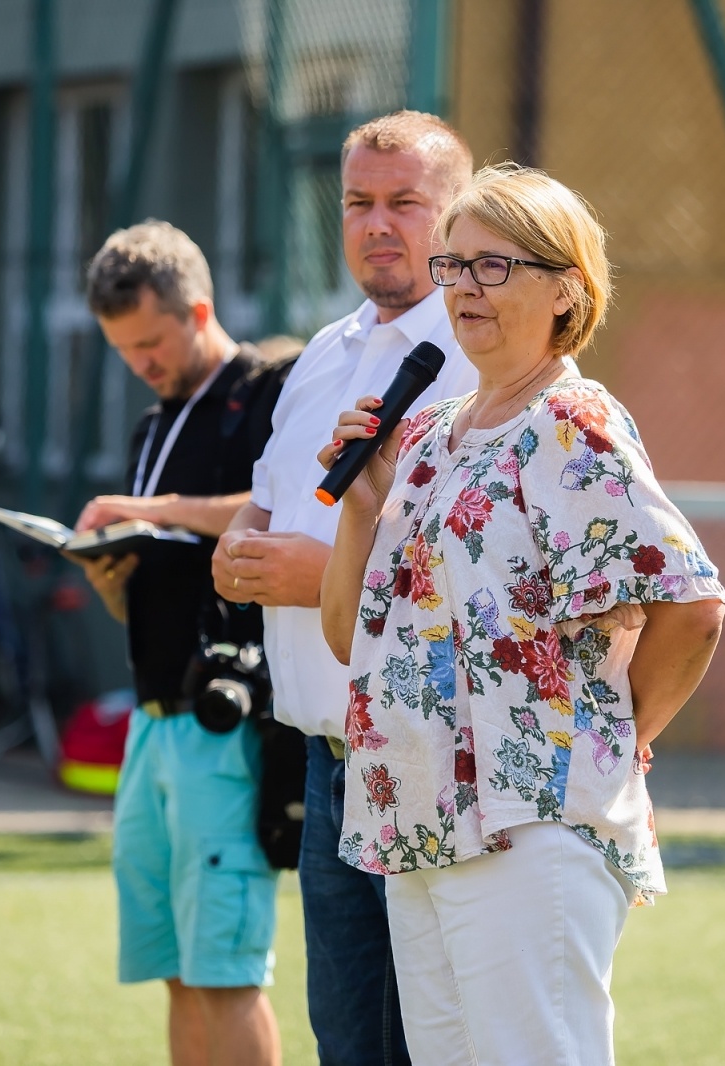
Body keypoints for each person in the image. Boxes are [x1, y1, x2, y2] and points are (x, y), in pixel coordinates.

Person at [317, 163, 725, 1065]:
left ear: (566, 290)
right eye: (452, 265)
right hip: (417, 822)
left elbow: (691, 608)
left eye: (493, 267)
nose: (463, 288)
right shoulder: (427, 436)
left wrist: (612, 737)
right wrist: (364, 504)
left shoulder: (571, 421)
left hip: (529, 822)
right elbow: (353, 638)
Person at [212, 110, 481, 1066]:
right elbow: (272, 492)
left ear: (457, 213)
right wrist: (241, 542)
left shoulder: (477, 355)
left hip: (430, 758)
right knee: (348, 1041)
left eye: (406, 202)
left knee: (423, 1042)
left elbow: (483, 572)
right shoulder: (323, 352)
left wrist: (320, 574)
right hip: (326, 754)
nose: (378, 223)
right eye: (359, 202)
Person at [69, 221, 287, 1066]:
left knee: (227, 971)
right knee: (176, 970)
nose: (141, 363)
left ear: (199, 309)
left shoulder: (269, 388)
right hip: (151, 721)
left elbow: (276, 511)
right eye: (124, 350)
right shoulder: (152, 426)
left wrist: (151, 513)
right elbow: (166, 576)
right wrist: (112, 577)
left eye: (152, 342)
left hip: (225, 723)